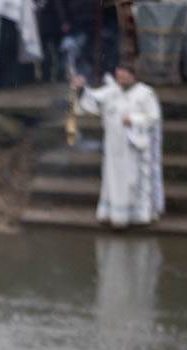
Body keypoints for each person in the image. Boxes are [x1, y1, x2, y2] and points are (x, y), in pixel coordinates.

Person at [72, 62, 164, 227]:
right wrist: (81, 89)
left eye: (124, 76)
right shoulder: (111, 91)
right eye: (118, 76)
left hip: (133, 146)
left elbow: (153, 117)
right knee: (113, 181)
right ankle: (112, 214)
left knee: (132, 181)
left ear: (133, 76)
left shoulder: (145, 94)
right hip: (113, 146)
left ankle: (138, 216)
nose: (120, 79)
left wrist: (134, 120)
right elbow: (92, 100)